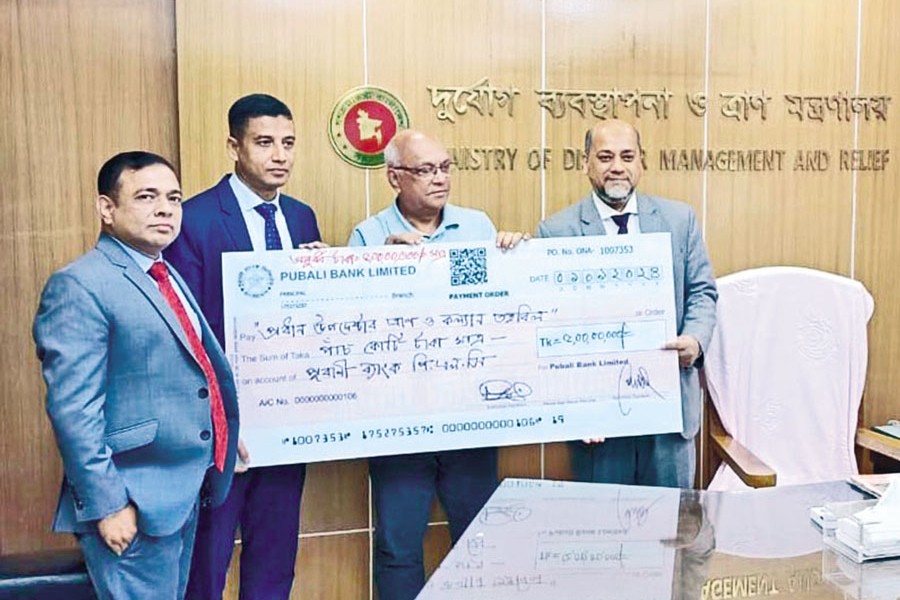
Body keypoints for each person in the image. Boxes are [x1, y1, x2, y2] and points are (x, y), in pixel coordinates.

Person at [33, 151, 240, 599]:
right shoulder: (81, 284)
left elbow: (188, 371)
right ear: (106, 208)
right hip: (132, 500)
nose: (165, 209)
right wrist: (107, 504)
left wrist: (221, 430)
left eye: (174, 198)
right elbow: (74, 411)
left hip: (182, 491)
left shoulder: (161, 273)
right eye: (147, 197)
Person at [348, 129, 526, 600]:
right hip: (398, 421)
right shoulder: (368, 236)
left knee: (478, 541)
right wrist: (382, 269)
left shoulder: (478, 226)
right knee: (398, 545)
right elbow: (354, 330)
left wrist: (516, 257)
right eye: (426, 170)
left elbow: (503, 308)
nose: (440, 178)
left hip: (468, 417)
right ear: (394, 177)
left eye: (445, 167)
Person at [165, 94, 323, 599]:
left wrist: (324, 277)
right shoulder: (194, 219)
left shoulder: (301, 217)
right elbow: (187, 335)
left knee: (275, 558)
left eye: (289, 143)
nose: (280, 155)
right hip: (220, 427)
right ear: (234, 147)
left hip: (287, 418)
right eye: (264, 142)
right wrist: (219, 423)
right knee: (207, 563)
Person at [538, 119, 717, 488]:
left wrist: (695, 341)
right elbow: (549, 324)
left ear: (642, 162)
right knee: (603, 524)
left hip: (668, 414)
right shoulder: (556, 232)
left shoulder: (679, 220)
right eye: (605, 157)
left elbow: (702, 292)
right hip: (598, 423)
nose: (617, 166)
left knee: (673, 520)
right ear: (585, 163)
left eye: (627, 156)